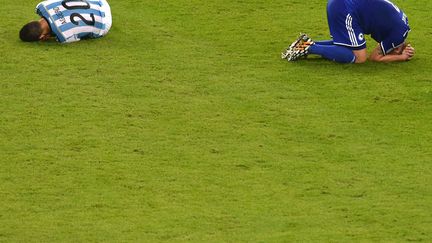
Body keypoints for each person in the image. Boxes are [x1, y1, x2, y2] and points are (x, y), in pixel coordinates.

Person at [282, 0, 415, 63]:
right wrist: (401, 57)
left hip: (343, 6)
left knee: (348, 44)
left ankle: (305, 44)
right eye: (395, 51)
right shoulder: (397, 36)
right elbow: (374, 57)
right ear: (397, 47)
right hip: (346, 11)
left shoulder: (402, 25)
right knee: (359, 57)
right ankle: (310, 47)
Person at [19, 0, 112, 43]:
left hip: (104, 23)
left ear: (42, 37)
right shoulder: (42, 6)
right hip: (99, 2)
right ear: (32, 21)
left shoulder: (63, 36)